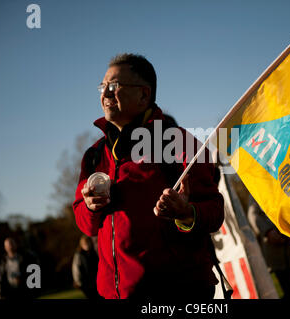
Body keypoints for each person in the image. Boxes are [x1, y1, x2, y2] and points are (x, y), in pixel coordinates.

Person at [72, 53, 224, 300]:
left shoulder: (180, 143)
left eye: (114, 86)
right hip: (112, 295)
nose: (105, 93)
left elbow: (215, 212)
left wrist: (186, 213)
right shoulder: (94, 155)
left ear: (144, 95)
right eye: (102, 87)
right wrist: (89, 207)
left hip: (180, 292)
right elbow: (85, 224)